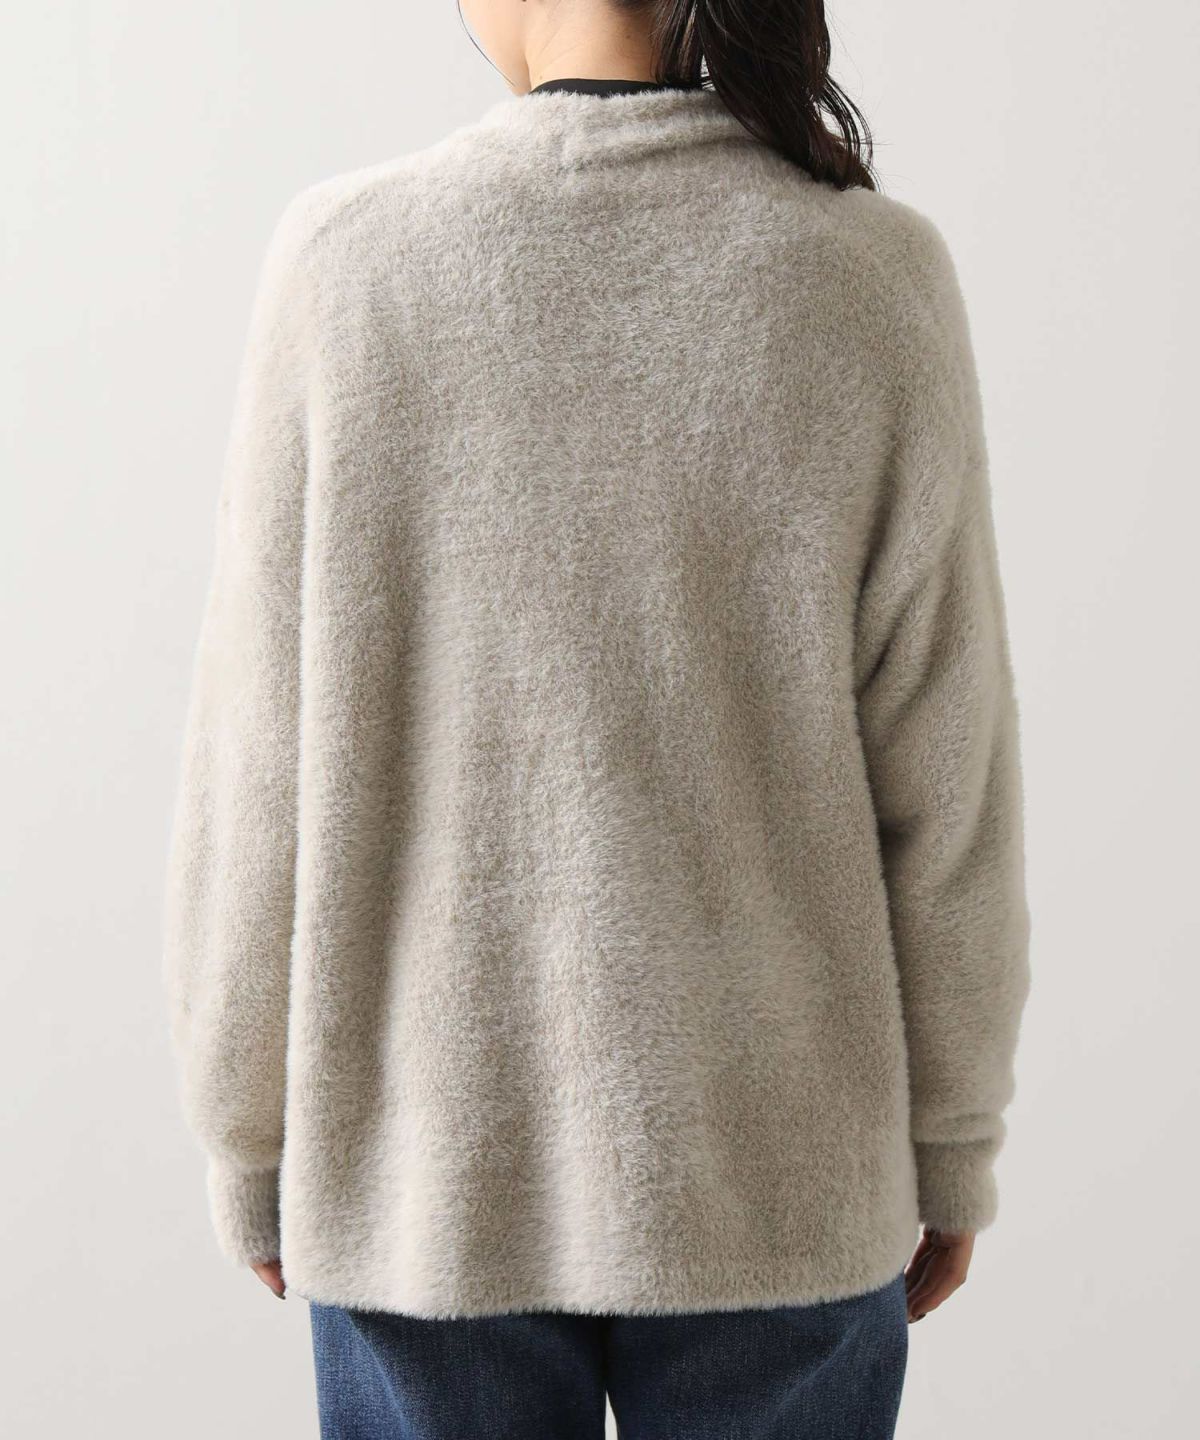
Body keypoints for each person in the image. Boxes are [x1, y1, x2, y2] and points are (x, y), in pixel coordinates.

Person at [162, 1, 1032, 1435]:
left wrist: (247, 1134)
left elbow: (258, 766)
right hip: (786, 1181)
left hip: (426, 1180)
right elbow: (949, 783)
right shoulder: (870, 275)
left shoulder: (347, 265)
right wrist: (952, 1143)